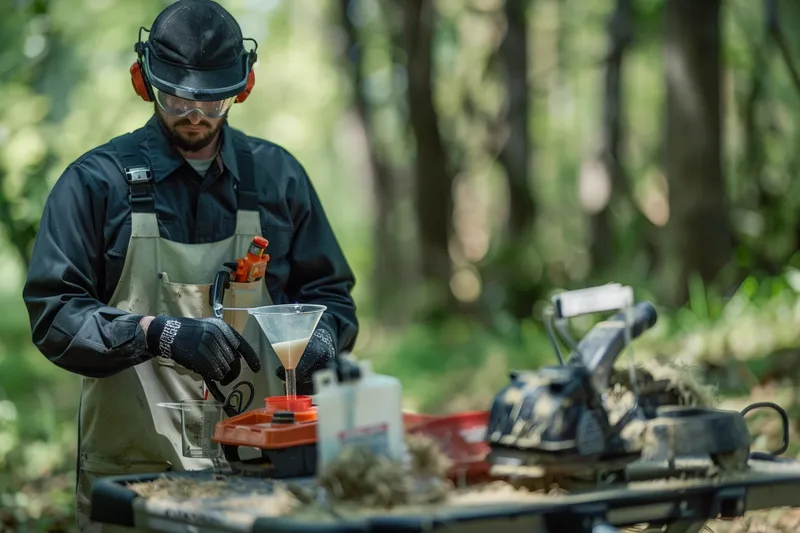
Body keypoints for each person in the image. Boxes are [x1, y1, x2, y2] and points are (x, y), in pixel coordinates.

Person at [21, 0, 359, 530]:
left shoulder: (279, 178)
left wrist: (325, 337)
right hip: (135, 474)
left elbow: (331, 296)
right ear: (143, 80)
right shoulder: (95, 184)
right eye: (176, 97)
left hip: (268, 472)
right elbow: (54, 316)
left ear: (242, 88)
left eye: (214, 100)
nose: (195, 113)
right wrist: (158, 333)